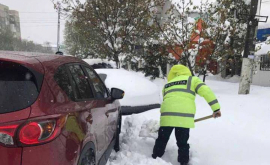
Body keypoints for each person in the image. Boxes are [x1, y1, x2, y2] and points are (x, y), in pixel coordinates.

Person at [152, 64, 221, 165]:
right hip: (183, 118)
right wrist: (216, 108)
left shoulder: (167, 85)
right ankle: (183, 162)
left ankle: (154, 159)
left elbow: (167, 100)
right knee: (182, 143)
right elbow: (206, 92)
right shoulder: (192, 80)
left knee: (162, 139)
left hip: (167, 116)